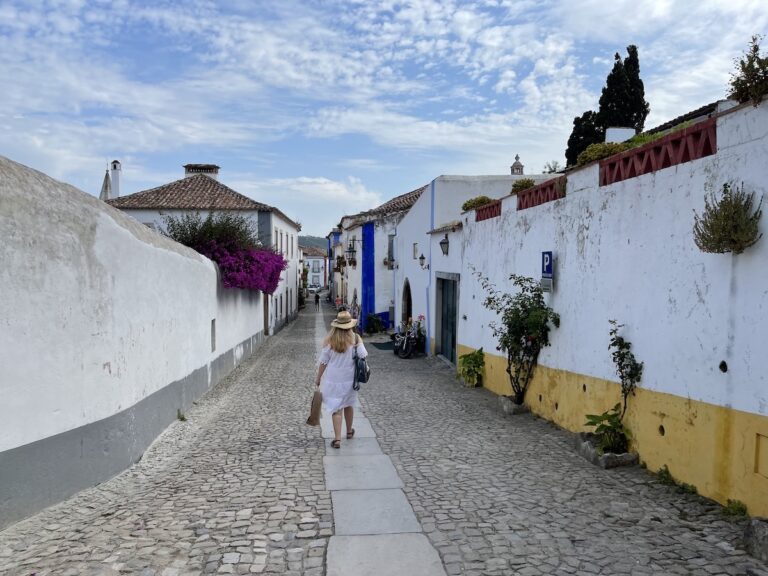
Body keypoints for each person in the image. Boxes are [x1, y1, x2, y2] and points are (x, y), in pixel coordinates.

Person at [314, 310, 368, 449]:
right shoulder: (355, 338)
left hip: (333, 380)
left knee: (336, 409)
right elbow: (363, 355)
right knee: (349, 404)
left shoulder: (329, 340)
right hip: (350, 379)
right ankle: (349, 431)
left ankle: (337, 440)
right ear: (350, 325)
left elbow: (323, 362)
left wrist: (318, 378)